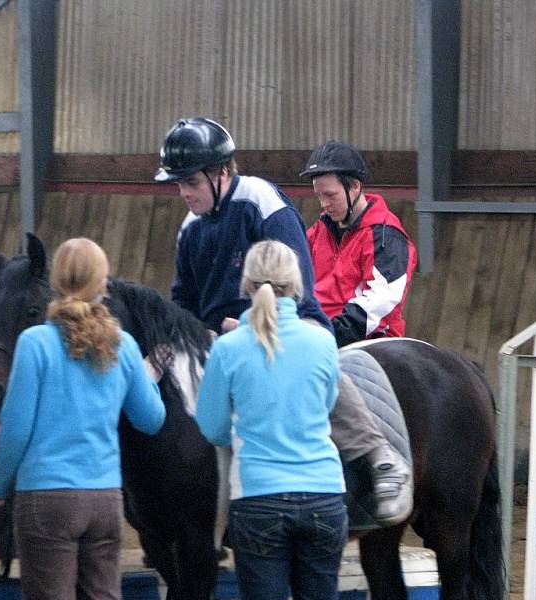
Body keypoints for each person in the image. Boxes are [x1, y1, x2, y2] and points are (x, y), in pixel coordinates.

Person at [155, 118, 413, 526]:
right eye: (179, 184)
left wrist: (248, 326)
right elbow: (182, 299)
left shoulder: (261, 202)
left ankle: (378, 454)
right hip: (220, 337)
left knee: (317, 355)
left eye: (192, 183)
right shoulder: (189, 228)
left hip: (291, 319)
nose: (185, 192)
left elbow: (296, 283)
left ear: (221, 173)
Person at [0, 238, 166, 600]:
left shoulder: (35, 343)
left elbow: (16, 428)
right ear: (102, 284)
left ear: (56, 282)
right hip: (104, 498)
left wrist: (1, 486)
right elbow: (151, 419)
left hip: (46, 497)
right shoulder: (123, 345)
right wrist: (146, 378)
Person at [195, 240, 347, 600]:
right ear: (296, 284)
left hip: (259, 498)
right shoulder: (323, 341)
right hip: (324, 494)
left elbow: (212, 428)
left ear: (246, 285)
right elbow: (327, 404)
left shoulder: (228, 348)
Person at [302, 140, 417, 346]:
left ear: (355, 186)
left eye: (330, 195)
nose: (324, 204)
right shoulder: (318, 231)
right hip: (319, 334)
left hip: (368, 341)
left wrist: (330, 333)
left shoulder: (386, 236)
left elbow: (382, 300)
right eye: (319, 196)